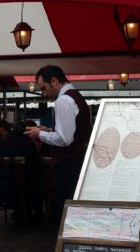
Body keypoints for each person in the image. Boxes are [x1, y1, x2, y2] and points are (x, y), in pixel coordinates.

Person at [25, 65, 91, 225]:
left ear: (54, 81)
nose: (44, 93)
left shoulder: (63, 101)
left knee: (68, 210)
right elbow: (70, 133)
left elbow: (64, 139)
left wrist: (39, 134)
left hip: (68, 164)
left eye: (44, 88)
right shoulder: (75, 97)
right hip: (77, 161)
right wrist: (48, 130)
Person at [0, 121, 44, 225]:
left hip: (1, 184)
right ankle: (34, 212)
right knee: (36, 181)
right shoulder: (28, 143)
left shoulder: (0, 143)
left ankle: (18, 211)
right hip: (25, 185)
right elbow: (37, 163)